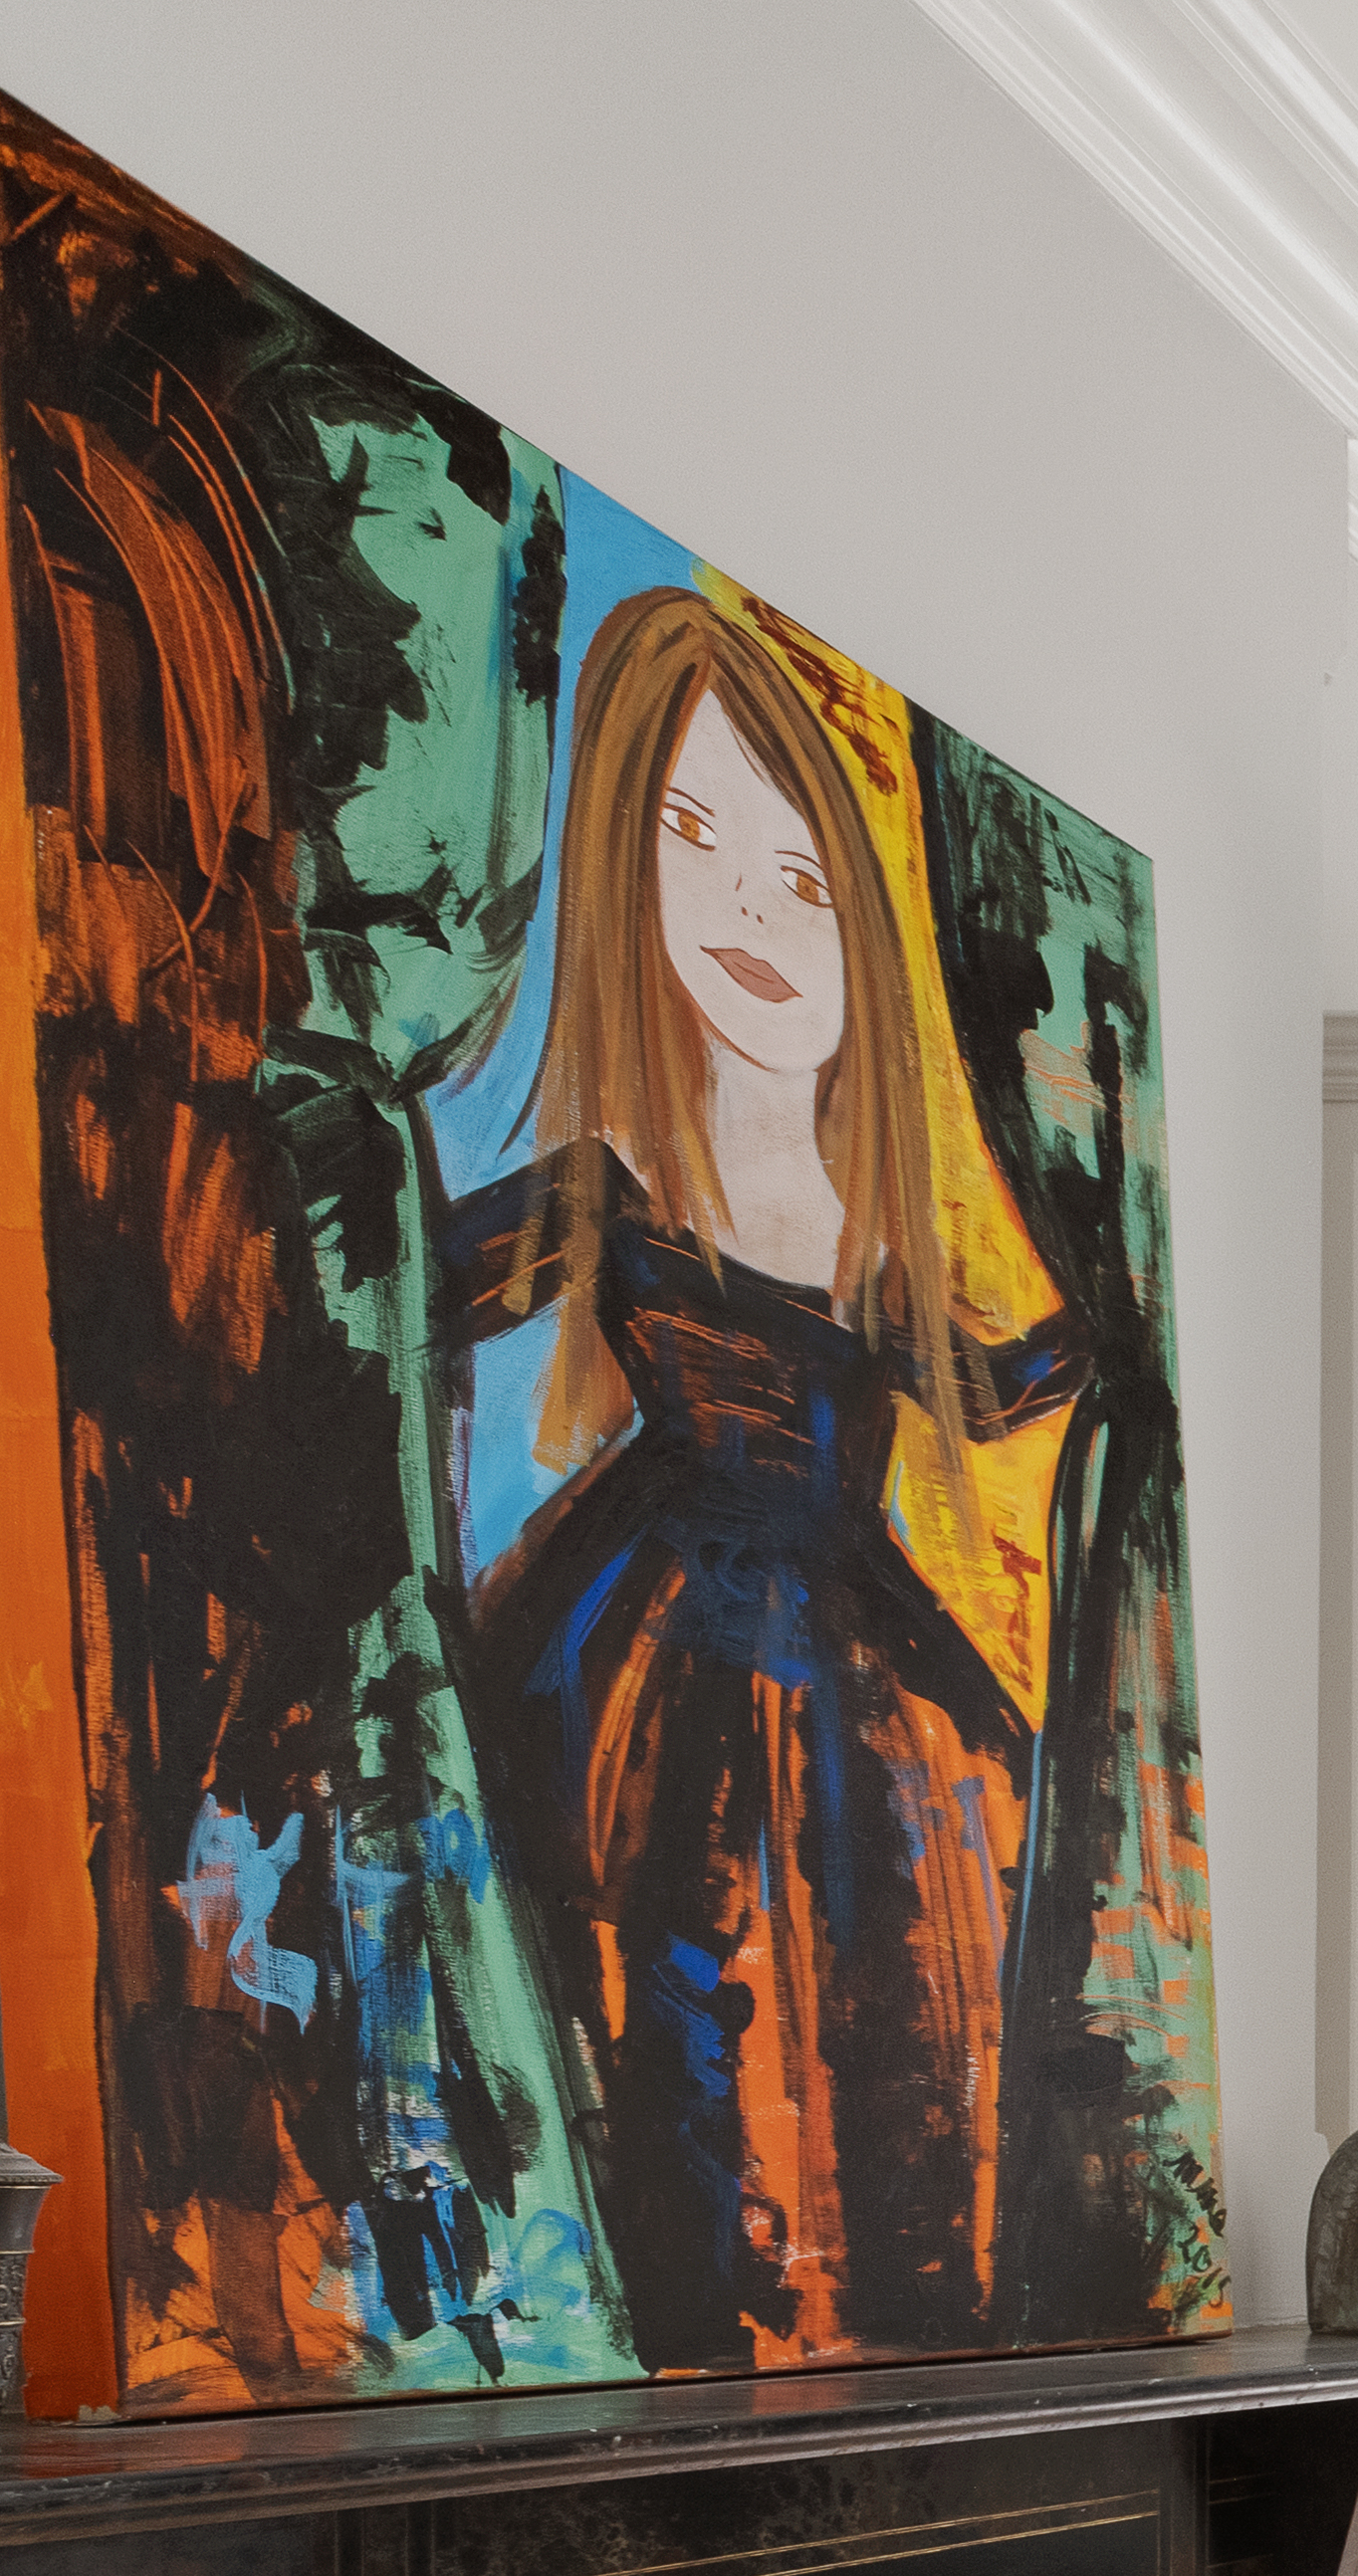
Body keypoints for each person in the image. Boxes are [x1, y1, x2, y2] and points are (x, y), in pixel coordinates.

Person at [456, 587, 1075, 2369]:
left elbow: (986, 1386)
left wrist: (1109, 1336)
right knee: (678, 1988)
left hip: (854, 1655)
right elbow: (427, 1279)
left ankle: (855, 2313)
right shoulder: (623, 1173)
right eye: (692, 835)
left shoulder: (873, 1231)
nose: (746, 908)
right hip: (652, 1645)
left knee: (884, 1997)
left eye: (805, 881)